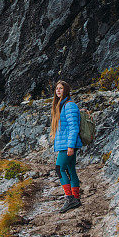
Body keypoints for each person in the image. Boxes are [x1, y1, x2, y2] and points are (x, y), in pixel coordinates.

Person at [50, 80, 82, 213]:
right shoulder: (61, 106)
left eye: (61, 88)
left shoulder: (69, 106)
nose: (58, 91)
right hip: (66, 144)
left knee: (59, 168)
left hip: (68, 145)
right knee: (70, 169)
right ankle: (76, 198)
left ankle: (69, 198)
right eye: (57, 88)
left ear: (66, 90)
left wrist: (70, 146)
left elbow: (74, 127)